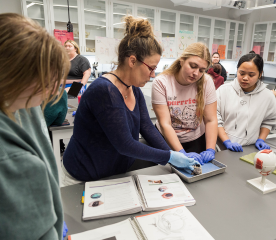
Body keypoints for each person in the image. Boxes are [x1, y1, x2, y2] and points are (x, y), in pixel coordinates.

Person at [62, 16, 198, 184]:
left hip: (113, 174)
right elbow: (125, 144)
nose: (153, 75)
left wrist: (178, 154)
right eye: (151, 68)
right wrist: (169, 156)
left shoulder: (133, 88)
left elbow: (147, 127)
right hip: (82, 176)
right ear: (132, 60)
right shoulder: (104, 90)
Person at [0, 13, 69, 239]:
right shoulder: (9, 158)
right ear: (15, 76)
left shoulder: (21, 104)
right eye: (45, 82)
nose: (50, 92)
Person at [152, 42, 218, 165]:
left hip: (196, 138)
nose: (196, 73)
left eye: (202, 70)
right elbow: (165, 124)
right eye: (193, 66)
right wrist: (181, 153)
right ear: (182, 60)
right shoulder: (161, 82)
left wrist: (210, 149)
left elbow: (211, 120)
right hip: (166, 139)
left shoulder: (207, 82)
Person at [216, 52, 276, 152]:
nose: (245, 78)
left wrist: (261, 139)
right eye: (241, 73)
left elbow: (270, 121)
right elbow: (215, 119)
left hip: (250, 147)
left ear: (260, 74)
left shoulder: (267, 96)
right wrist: (227, 142)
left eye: (251, 75)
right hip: (222, 148)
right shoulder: (223, 91)